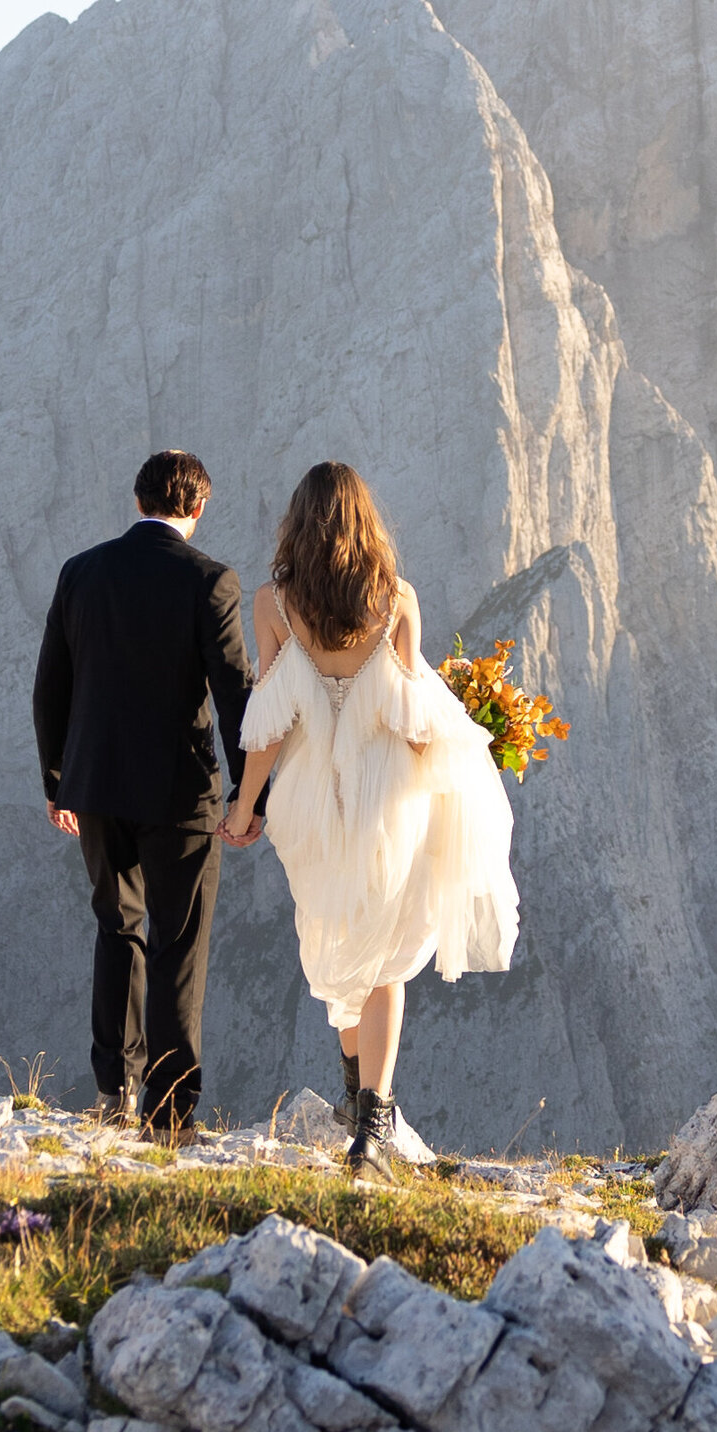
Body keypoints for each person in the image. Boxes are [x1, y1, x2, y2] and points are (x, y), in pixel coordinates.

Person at [221, 461, 519, 1180]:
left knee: (336, 947)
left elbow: (266, 722)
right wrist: (465, 730)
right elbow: (416, 727)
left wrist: (244, 806)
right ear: (364, 524)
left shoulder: (272, 604)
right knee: (387, 962)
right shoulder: (397, 602)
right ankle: (372, 1124)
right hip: (391, 804)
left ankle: (360, 1096)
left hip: (310, 804)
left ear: (299, 522)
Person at [33, 450, 262, 1139]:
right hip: (180, 793)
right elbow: (234, 696)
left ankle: (112, 1090)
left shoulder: (81, 572)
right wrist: (252, 797)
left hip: (97, 787)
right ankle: (168, 1113)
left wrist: (58, 780)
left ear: (137, 502)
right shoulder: (211, 581)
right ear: (198, 509)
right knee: (178, 945)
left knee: (117, 928)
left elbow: (50, 688)